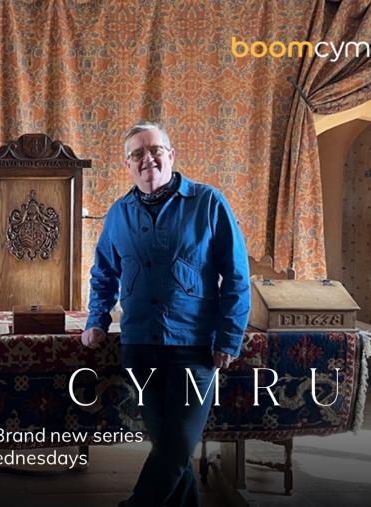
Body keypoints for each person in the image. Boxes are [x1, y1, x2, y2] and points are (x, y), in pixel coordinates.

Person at [81, 122, 251, 507]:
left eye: (155, 149)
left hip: (193, 350)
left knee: (174, 449)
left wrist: (229, 337)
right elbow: (103, 273)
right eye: (137, 154)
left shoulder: (208, 203)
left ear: (171, 155)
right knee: (170, 449)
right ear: (127, 165)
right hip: (140, 349)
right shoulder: (118, 213)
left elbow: (237, 275)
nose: (148, 159)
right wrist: (97, 320)